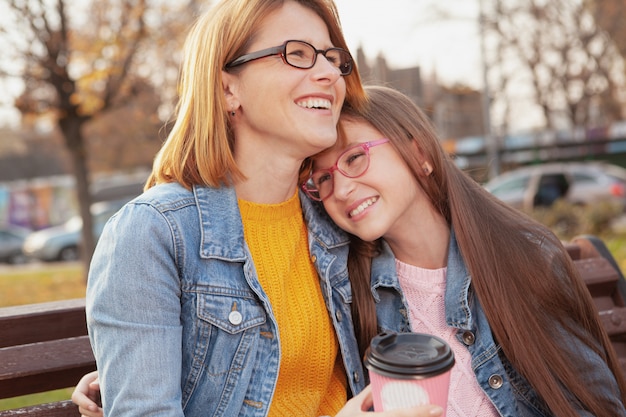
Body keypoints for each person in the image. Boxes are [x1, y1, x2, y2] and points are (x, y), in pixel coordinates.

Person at [73, 0, 443, 416]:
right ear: (229, 88)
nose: (327, 74)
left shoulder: (338, 217)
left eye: (331, 58)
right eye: (296, 54)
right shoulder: (153, 233)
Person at [300, 85, 626, 416]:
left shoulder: (524, 259)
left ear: (419, 154)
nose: (339, 189)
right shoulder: (349, 298)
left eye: (355, 158)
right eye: (323, 179)